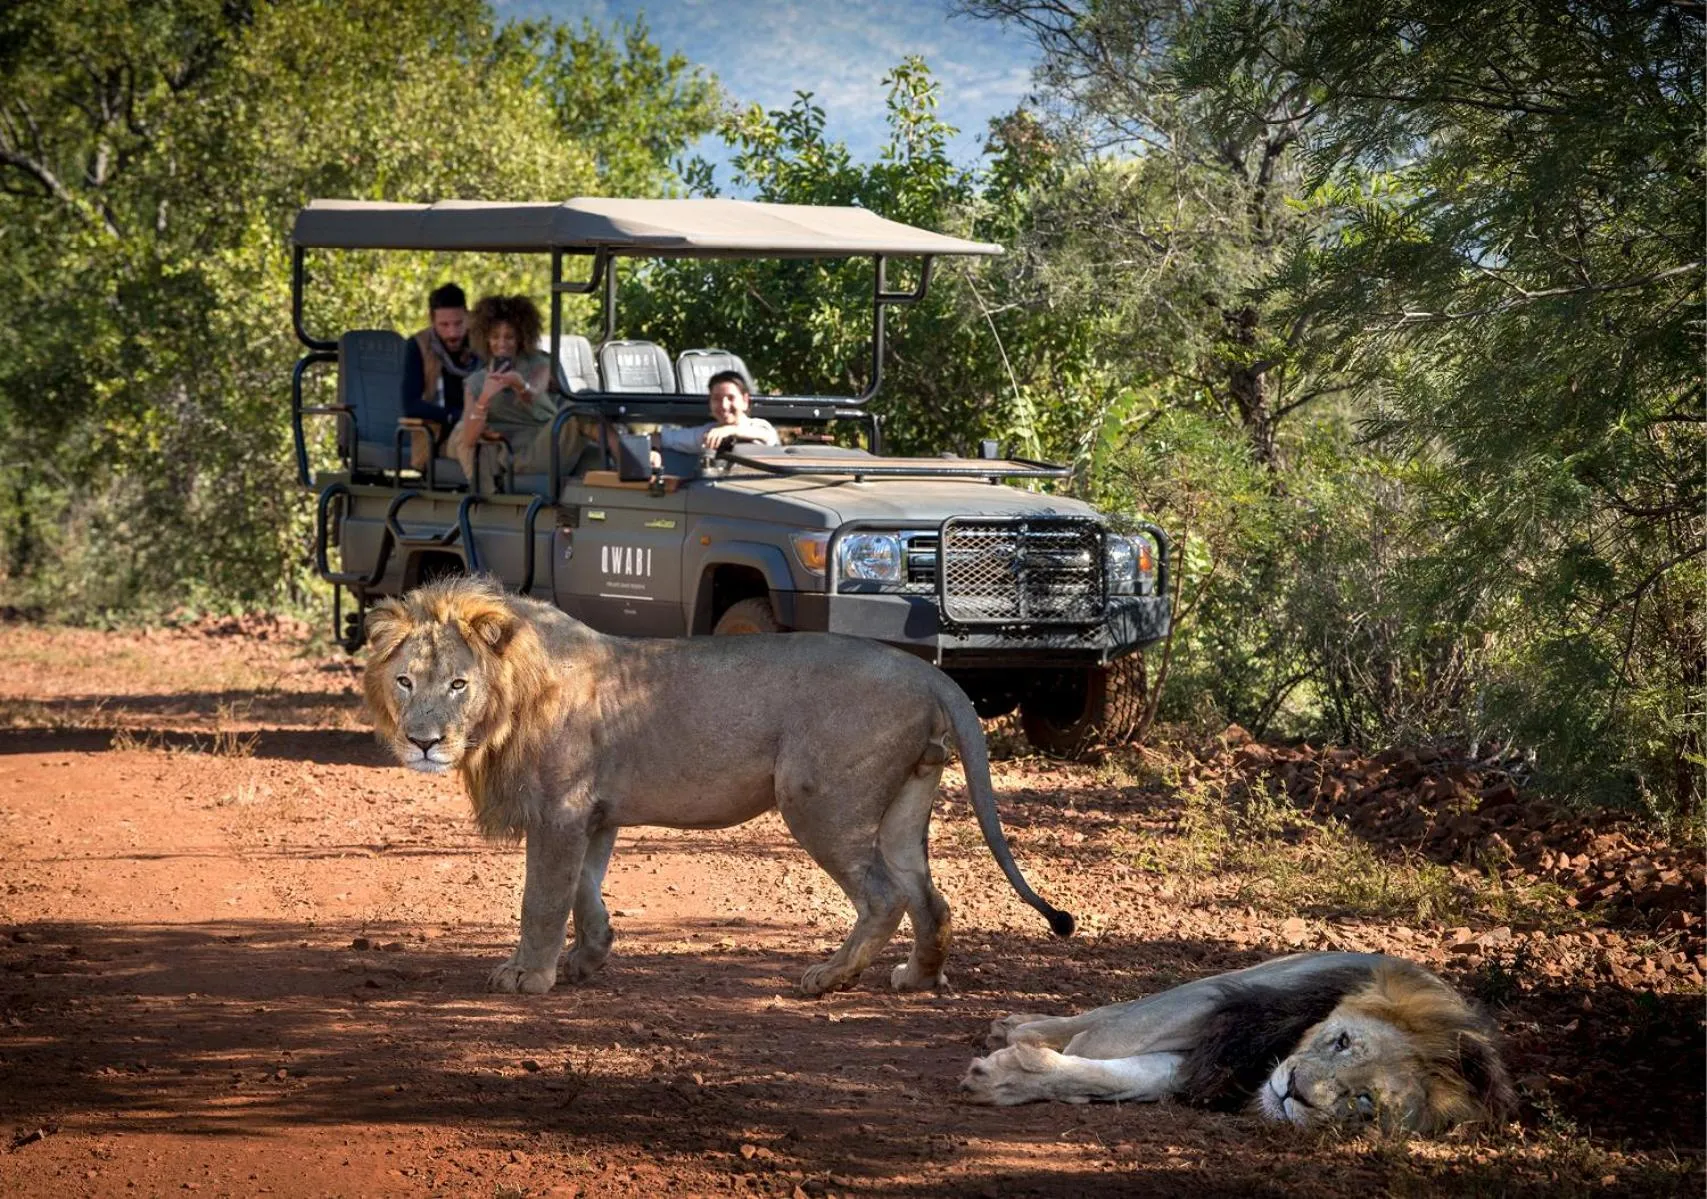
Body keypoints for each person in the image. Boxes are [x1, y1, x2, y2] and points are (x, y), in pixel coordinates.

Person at [446, 295, 556, 492]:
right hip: (499, 446)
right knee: (466, 432)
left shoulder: (539, 363)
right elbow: (468, 438)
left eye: (509, 337)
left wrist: (520, 385)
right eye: (495, 337)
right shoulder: (476, 381)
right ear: (486, 339)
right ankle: (489, 497)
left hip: (539, 440)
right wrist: (485, 398)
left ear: (521, 338)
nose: (502, 343)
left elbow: (534, 393)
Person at [400, 282, 480, 468]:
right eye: (444, 325)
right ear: (432, 320)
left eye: (458, 323)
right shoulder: (419, 346)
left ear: (467, 316)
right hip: (440, 437)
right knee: (471, 436)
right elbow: (411, 405)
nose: (452, 333)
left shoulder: (480, 342)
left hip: (483, 424)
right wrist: (455, 416)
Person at [650, 370, 777, 468]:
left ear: (745, 401)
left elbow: (767, 435)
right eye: (716, 399)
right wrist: (653, 451)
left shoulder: (759, 426)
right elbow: (659, 437)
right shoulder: (707, 433)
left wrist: (730, 430)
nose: (724, 405)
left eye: (731, 398)